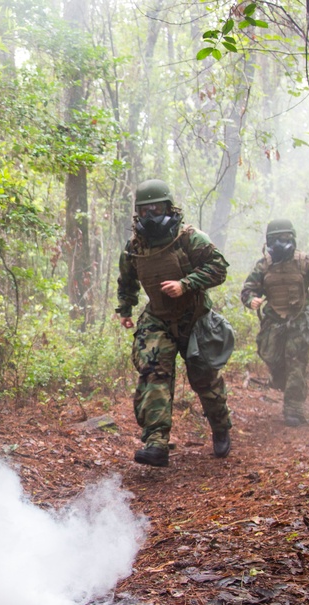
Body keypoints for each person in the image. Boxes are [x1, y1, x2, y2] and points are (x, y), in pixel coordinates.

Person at [116, 179, 232, 468]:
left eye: (156, 208)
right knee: (153, 373)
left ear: (169, 207)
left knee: (205, 379)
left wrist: (186, 284)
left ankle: (220, 427)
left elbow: (219, 268)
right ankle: (156, 443)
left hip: (194, 317)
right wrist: (125, 309)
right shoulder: (134, 246)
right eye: (144, 211)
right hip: (158, 318)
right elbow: (127, 280)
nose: (150, 216)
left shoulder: (189, 238)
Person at [241, 220, 309, 426]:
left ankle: (293, 409)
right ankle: (284, 385)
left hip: (298, 321)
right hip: (273, 322)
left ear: (292, 238)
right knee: (274, 362)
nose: (280, 244)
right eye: (275, 240)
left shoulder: (304, 262)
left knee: (296, 364)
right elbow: (248, 289)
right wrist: (252, 300)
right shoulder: (264, 265)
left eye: (284, 239)